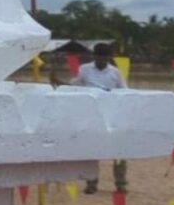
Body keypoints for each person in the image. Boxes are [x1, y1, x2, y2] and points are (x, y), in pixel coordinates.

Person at [51, 43, 127, 194]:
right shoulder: (84, 70)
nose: (102, 60)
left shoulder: (116, 72)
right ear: (94, 56)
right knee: (93, 151)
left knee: (119, 152)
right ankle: (91, 183)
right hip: (91, 116)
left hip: (112, 116)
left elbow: (124, 93)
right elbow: (73, 87)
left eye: (105, 57)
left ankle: (121, 184)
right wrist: (58, 83)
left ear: (109, 57)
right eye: (99, 57)